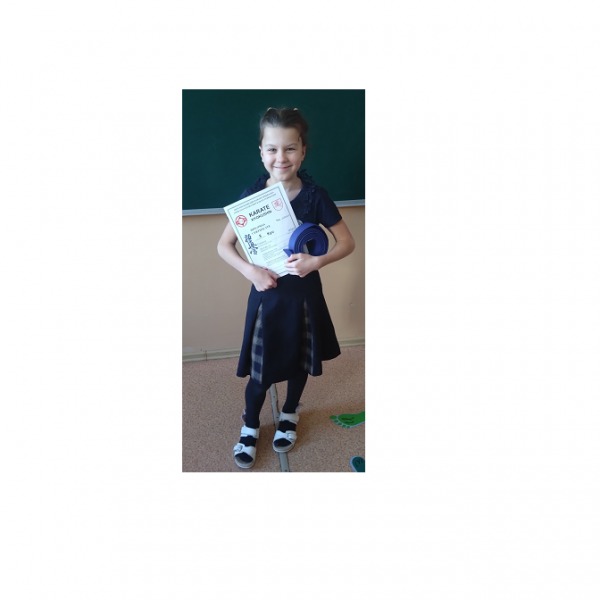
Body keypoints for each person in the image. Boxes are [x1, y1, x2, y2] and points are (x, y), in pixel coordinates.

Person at [217, 107, 355, 469]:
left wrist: (317, 262)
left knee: (299, 362)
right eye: (273, 149)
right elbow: (223, 246)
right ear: (261, 152)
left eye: (290, 148)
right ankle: (250, 425)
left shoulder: (315, 196)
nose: (281, 157)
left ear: (303, 151)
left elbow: (346, 243)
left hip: (304, 297)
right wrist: (251, 272)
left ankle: (290, 412)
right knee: (260, 375)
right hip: (268, 297)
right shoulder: (252, 196)